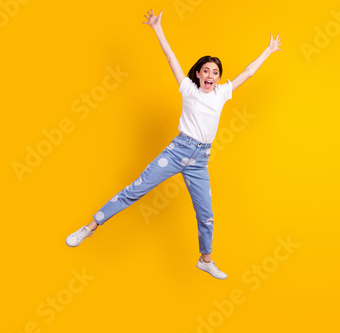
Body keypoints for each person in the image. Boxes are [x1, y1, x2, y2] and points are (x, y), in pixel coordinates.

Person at [66, 9, 282, 280]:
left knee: (206, 214)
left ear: (218, 77)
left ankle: (205, 260)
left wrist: (268, 51)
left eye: (215, 72)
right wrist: (157, 29)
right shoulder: (188, 88)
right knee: (135, 189)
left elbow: (248, 73)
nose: (211, 75)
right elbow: (171, 58)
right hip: (178, 151)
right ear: (199, 73)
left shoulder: (222, 93)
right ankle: (89, 227)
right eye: (206, 71)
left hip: (200, 160)